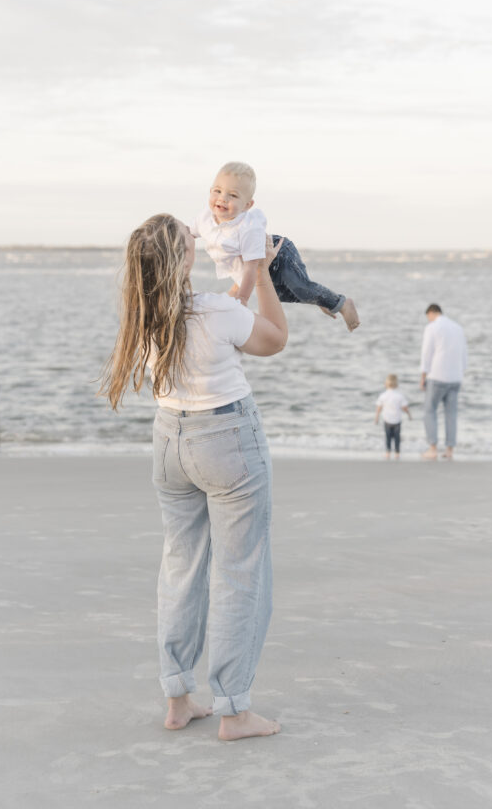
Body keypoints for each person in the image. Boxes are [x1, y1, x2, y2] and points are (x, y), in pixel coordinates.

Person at [100, 213, 288, 741]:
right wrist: (263, 271)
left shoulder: (147, 314)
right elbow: (274, 339)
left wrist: (242, 280)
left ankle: (178, 698)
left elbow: (219, 308)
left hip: (169, 443)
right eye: (191, 239)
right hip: (227, 443)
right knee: (239, 571)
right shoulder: (213, 310)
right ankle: (234, 710)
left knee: (181, 567)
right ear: (182, 259)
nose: (199, 237)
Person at [189, 161, 360, 331]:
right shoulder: (205, 219)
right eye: (217, 191)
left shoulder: (248, 228)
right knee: (280, 296)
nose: (222, 198)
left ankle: (341, 303)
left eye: (232, 195)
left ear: (247, 205)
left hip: (279, 255)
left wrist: (242, 299)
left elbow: (250, 269)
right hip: (262, 268)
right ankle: (320, 298)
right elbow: (188, 233)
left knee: (300, 287)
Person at [420, 304, 467, 461]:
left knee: (429, 410)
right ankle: (449, 450)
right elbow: (464, 354)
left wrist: (423, 376)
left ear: (432, 313)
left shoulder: (432, 327)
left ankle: (432, 448)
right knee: (451, 414)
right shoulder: (458, 328)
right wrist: (461, 373)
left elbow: (427, 353)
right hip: (456, 377)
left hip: (437, 375)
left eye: (428, 317)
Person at [374, 374, 412, 459]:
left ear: (386, 384)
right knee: (397, 437)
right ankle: (397, 452)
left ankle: (388, 452)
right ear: (396, 384)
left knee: (388, 437)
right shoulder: (399, 396)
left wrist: (376, 418)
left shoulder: (383, 395)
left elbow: (379, 408)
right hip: (397, 420)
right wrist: (409, 415)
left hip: (387, 420)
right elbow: (405, 408)